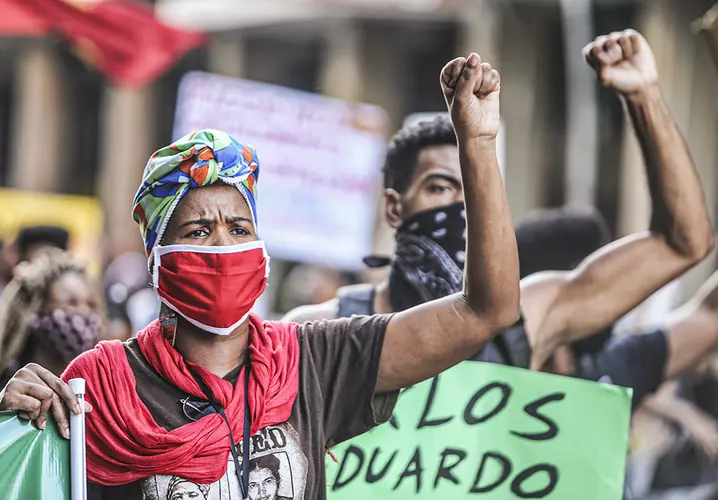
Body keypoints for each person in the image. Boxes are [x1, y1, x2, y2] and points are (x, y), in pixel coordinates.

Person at [0, 53, 520, 500]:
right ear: (157, 257)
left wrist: (477, 144)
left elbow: (486, 310)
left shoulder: (315, 362)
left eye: (239, 227)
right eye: (198, 230)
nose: (223, 244)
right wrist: (6, 428)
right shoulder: (102, 385)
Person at [284, 30, 715, 407]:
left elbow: (683, 244)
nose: (460, 209)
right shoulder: (320, 334)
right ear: (395, 208)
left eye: (472, 192)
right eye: (439, 188)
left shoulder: (524, 320)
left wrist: (644, 97)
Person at [0, 248, 101, 412]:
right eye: (71, 303)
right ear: (35, 310)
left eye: (91, 304)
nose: (84, 312)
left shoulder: (102, 392)